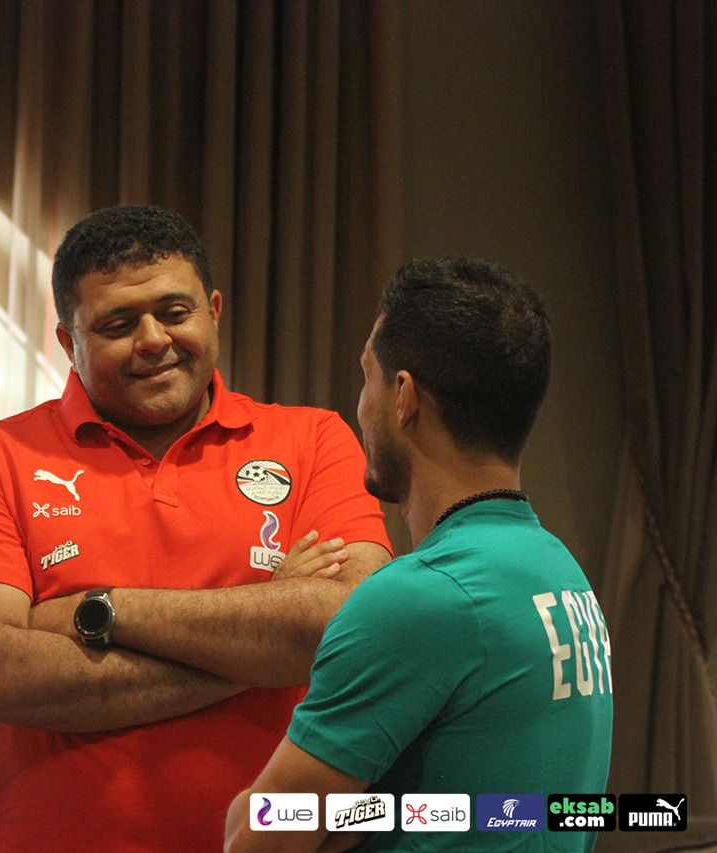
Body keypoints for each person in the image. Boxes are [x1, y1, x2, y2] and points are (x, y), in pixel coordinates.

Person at [0, 205, 392, 852]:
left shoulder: (313, 439)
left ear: (213, 311)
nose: (152, 340)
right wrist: (263, 645)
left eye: (174, 312)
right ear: (68, 341)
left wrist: (98, 610)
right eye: (117, 324)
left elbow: (349, 627)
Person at [224, 258, 614, 852]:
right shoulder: (561, 569)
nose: (362, 404)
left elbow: (255, 838)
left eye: (367, 378)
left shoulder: (418, 598)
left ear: (403, 397)